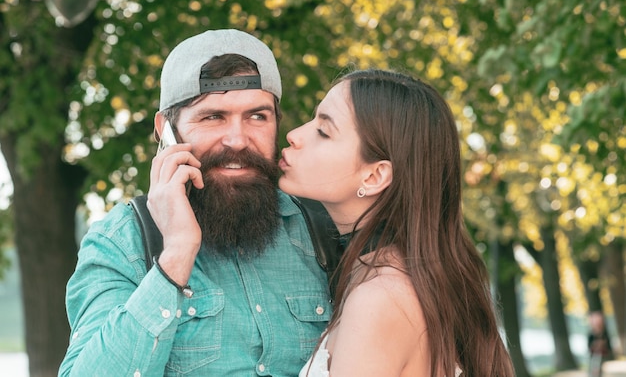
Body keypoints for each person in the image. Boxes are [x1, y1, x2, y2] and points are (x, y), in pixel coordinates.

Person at [59, 29, 332, 376]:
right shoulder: (120, 244)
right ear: (165, 131)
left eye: (257, 116)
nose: (237, 139)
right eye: (212, 117)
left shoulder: (323, 230)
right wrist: (175, 257)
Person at [279, 68, 516, 377]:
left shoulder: (380, 298)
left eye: (324, 131)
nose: (294, 135)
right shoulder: (407, 280)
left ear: (375, 176)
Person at [588, 311, 613, 377]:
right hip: (594, 356)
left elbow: (608, 346)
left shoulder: (604, 334)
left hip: (603, 355)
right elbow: (589, 346)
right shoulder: (591, 335)